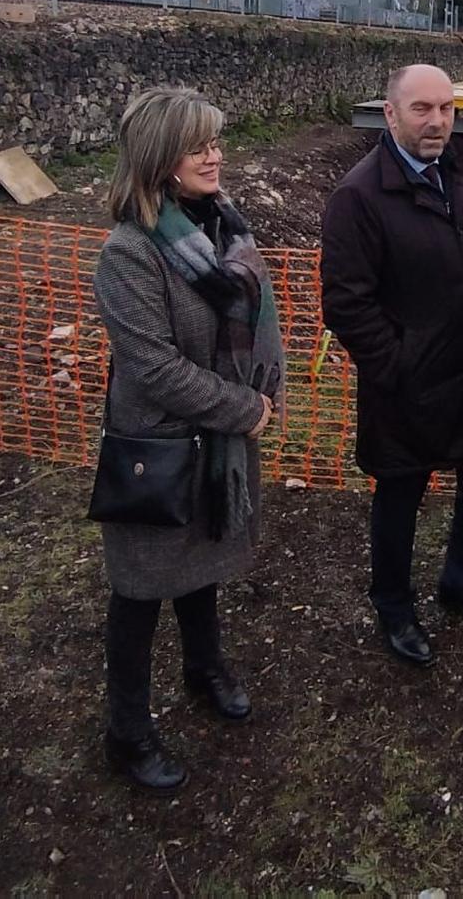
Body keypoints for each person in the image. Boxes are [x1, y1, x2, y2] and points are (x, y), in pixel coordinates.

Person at [90, 87, 282, 790]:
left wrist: (271, 390)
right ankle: (128, 731)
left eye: (215, 142)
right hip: (159, 449)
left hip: (222, 438)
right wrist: (243, 407)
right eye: (198, 145)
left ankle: (204, 668)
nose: (215, 155)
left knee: (203, 562)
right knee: (139, 593)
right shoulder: (129, 253)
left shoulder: (227, 227)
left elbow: (265, 316)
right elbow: (156, 368)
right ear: (161, 158)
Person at [321, 63, 463, 666]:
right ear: (390, 114)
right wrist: (399, 364)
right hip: (408, 383)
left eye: (446, 109)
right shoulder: (358, 196)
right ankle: (395, 608)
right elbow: (346, 303)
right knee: (401, 493)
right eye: (421, 110)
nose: (437, 122)